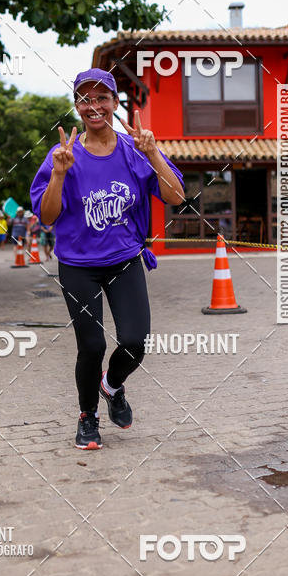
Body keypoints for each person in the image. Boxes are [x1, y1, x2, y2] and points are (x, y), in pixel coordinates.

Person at [30, 68, 184, 450]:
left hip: (125, 259)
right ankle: (87, 418)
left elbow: (176, 197)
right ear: (77, 106)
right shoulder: (62, 156)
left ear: (115, 103)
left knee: (134, 340)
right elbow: (47, 216)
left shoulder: (135, 149)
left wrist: (153, 154)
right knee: (92, 345)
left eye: (102, 98)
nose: (94, 105)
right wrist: (60, 176)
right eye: (85, 99)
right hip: (78, 265)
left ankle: (112, 386)